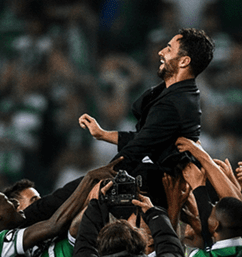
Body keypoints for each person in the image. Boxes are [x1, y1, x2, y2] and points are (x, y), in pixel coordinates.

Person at [78, 28, 214, 186]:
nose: (158, 52)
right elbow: (115, 113)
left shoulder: (182, 84)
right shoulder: (138, 79)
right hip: (137, 135)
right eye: (153, 47)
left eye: (166, 47)